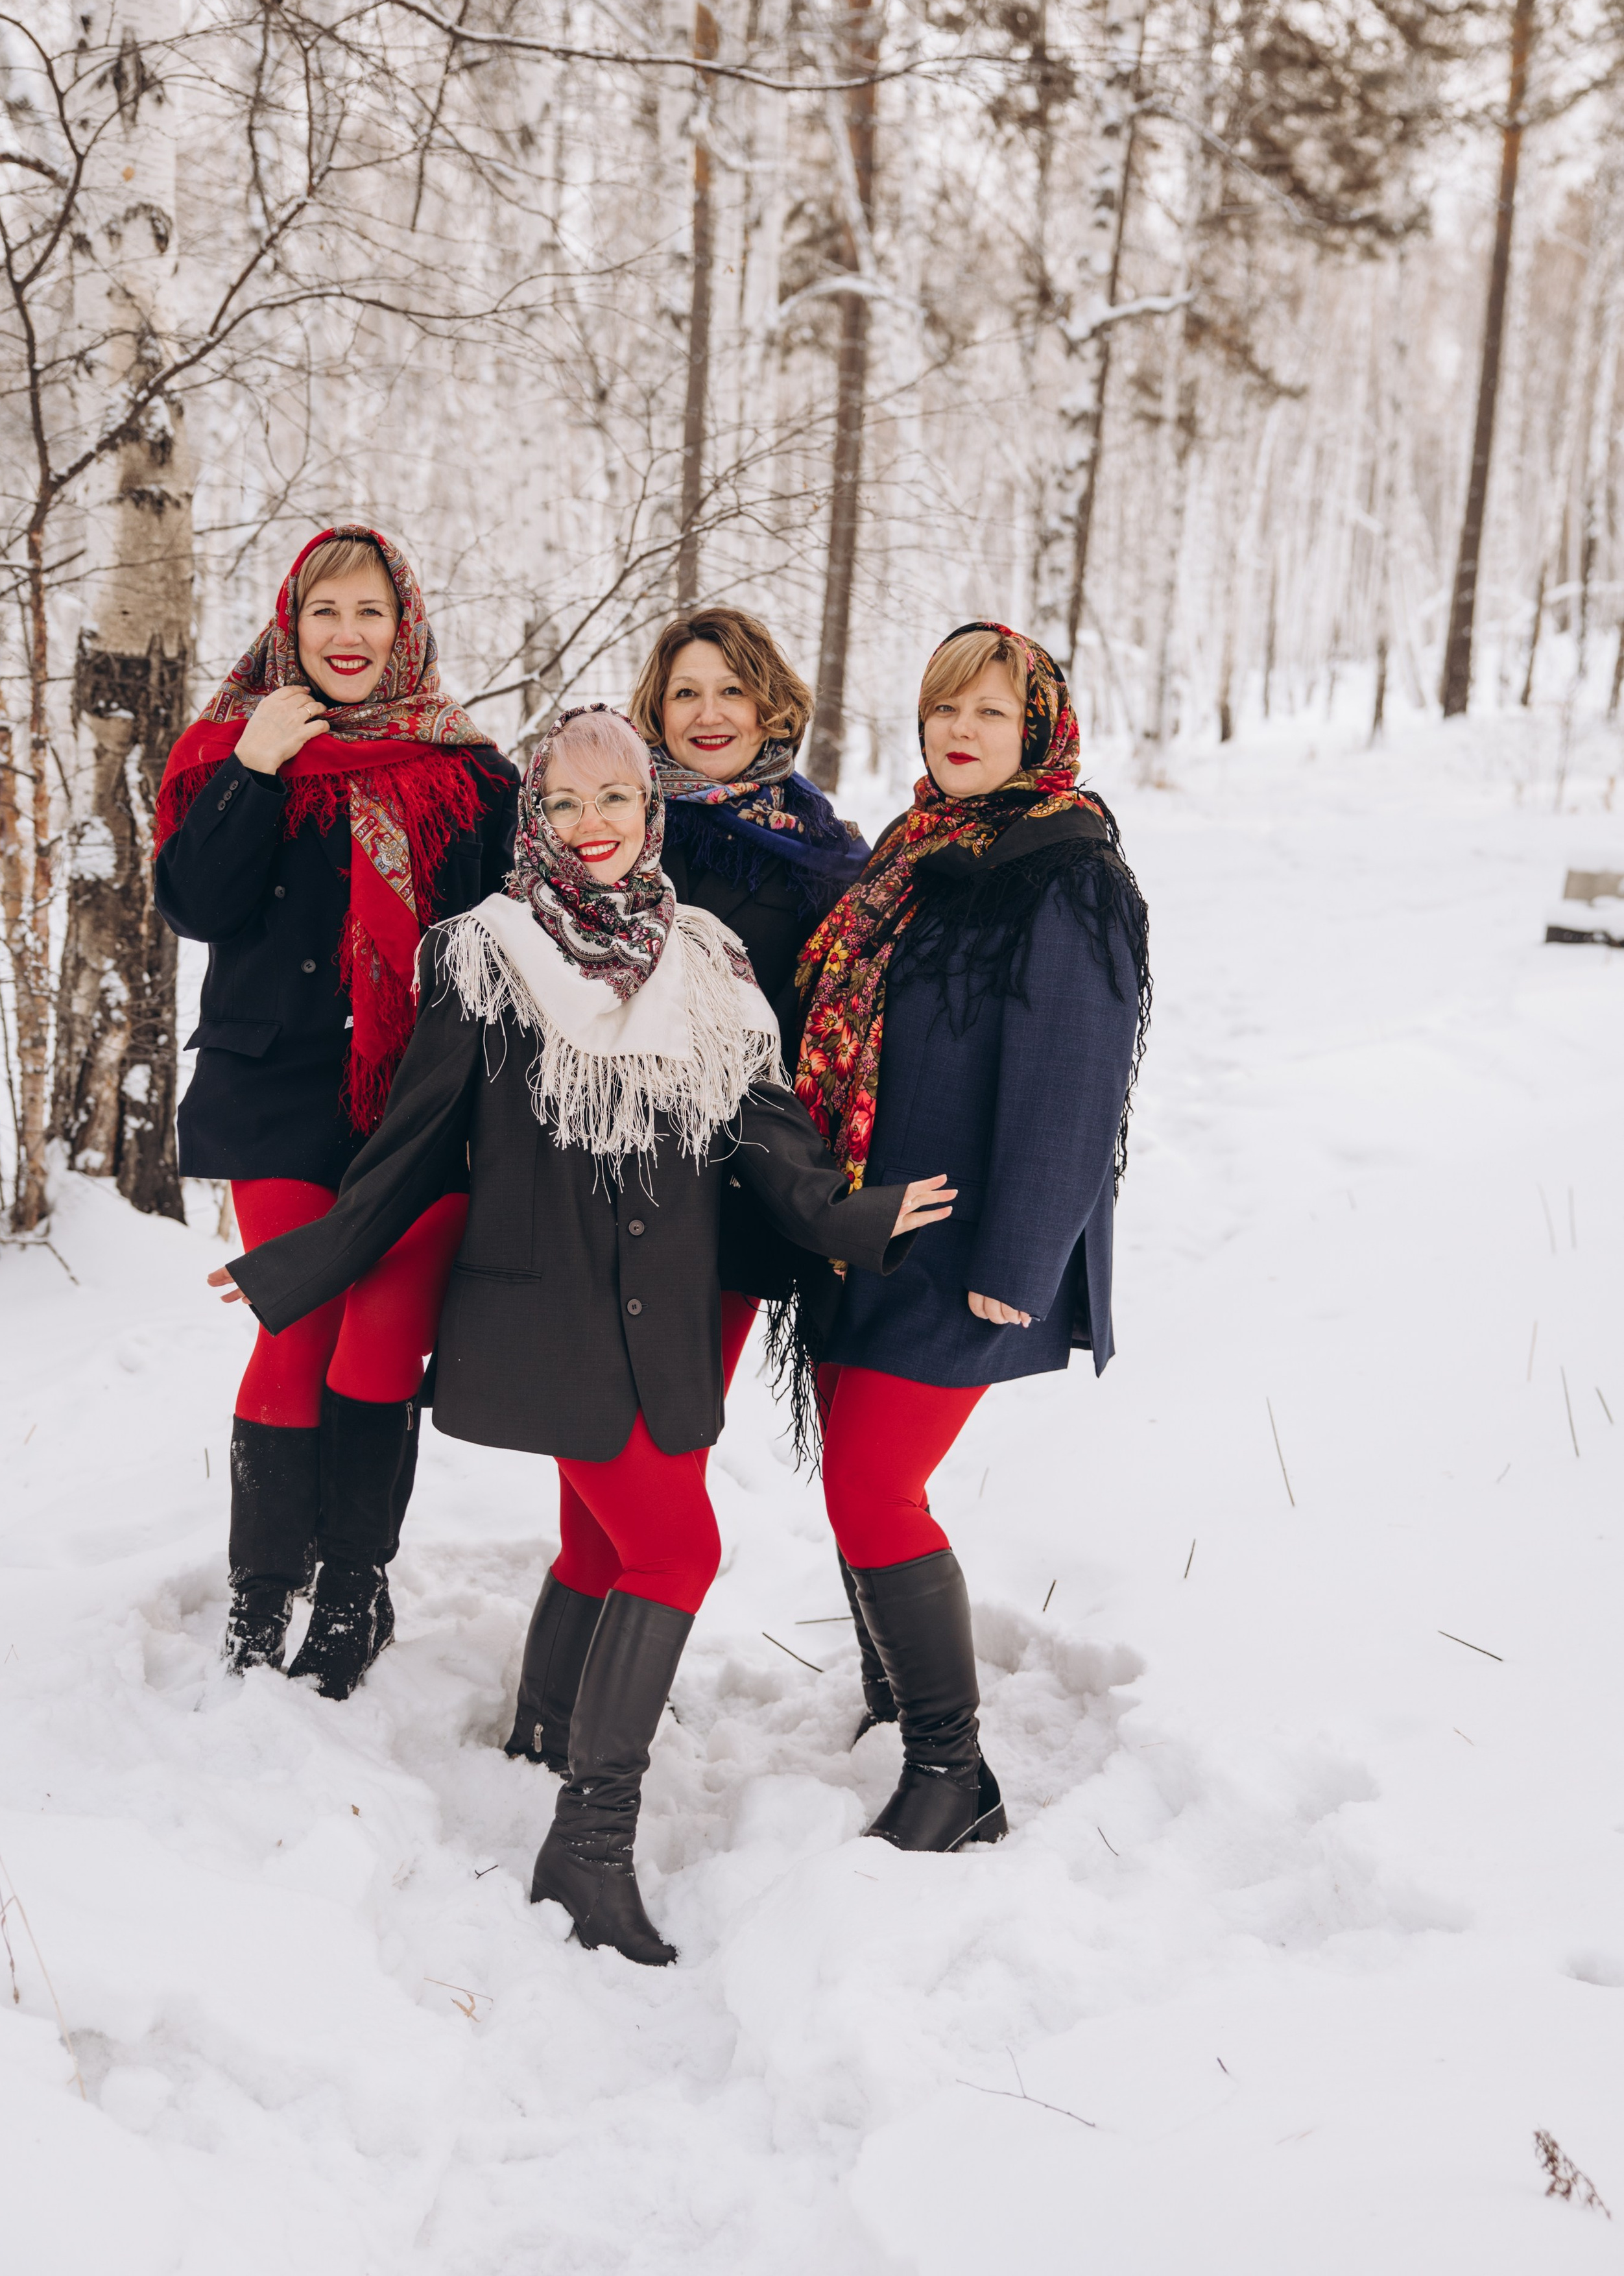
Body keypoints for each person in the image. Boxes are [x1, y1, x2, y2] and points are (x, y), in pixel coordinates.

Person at [211, 706, 951, 1965]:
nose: (593, 826)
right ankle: (585, 1843)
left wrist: (856, 1216)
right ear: (533, 817)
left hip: (660, 1316)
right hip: (541, 1317)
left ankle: (544, 1730)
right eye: (565, 803)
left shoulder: (707, 959)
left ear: (651, 812)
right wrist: (306, 1261)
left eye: (617, 800)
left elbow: (766, 1133)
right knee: (674, 1549)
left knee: (609, 1542)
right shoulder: (484, 955)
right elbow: (409, 1150)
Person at [793, 620, 1150, 1854]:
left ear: (1037, 729)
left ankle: (956, 1776)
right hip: (872, 1229)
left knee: (872, 1484)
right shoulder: (914, 847)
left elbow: (1073, 1081)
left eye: (991, 713)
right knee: (856, 1480)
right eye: (946, 707)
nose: (960, 731)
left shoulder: (1066, 869)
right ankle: (901, 1711)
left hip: (968, 1245)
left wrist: (1018, 1266)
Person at [155, 527, 517, 1695]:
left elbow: (512, 944)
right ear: (291, 623)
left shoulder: (472, 769)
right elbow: (195, 906)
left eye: (371, 613)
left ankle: (356, 1586)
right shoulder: (234, 744)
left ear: (404, 622)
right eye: (326, 614)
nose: (349, 636)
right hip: (279, 1089)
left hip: (420, 1104)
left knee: (380, 1339)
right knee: (297, 1324)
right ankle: (263, 1593)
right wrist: (256, 770)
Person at [625, 608, 890, 1729]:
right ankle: (586, 1694)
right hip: (626, 1190)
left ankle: (898, 1691)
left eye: (731, 690)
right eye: (686, 693)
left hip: (755, 1197)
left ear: (773, 703)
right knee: (631, 1444)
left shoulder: (831, 854)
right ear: (655, 711)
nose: (710, 714)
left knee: (695, 1433)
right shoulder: (616, 831)